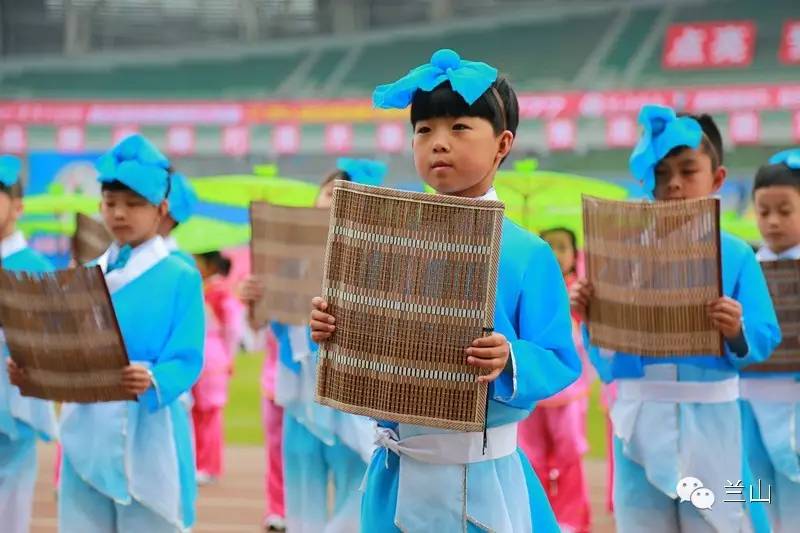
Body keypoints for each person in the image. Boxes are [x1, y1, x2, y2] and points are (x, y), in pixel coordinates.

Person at [310, 48, 581, 532]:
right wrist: (334, 329)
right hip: (396, 473)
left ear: (502, 144)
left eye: (459, 128)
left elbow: (559, 356)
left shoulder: (527, 253)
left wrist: (509, 358)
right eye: (424, 130)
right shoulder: (386, 240)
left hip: (483, 474)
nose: (438, 143)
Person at [570, 104, 781, 532]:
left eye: (688, 171)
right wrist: (592, 316)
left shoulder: (736, 253)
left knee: (715, 520)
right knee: (641, 521)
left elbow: (763, 335)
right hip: (638, 417)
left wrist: (735, 330)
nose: (674, 185)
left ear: (717, 178)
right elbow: (607, 361)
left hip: (712, 421)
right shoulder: (621, 252)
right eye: (662, 174)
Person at [24, 134, 205, 532]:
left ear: (161, 209)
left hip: (148, 420)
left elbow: (188, 356)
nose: (120, 213)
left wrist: (155, 378)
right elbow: (66, 344)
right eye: (110, 203)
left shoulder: (180, 276)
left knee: (149, 516)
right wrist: (35, 364)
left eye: (134, 204)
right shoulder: (90, 274)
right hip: (86, 419)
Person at [240, 157, 385, 532]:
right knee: (303, 488)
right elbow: (261, 328)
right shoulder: (288, 268)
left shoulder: (376, 270)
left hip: (352, 398)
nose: (331, 205)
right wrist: (255, 301)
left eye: (344, 199)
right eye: (327, 196)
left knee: (360, 486)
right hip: (302, 397)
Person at [740, 147, 800, 532]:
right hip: (747, 396)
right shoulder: (745, 266)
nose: (773, 222)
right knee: (753, 485)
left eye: (785, 211)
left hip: (794, 398)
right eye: (764, 212)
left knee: (794, 482)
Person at [518, 227, 592, 533]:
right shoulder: (528, 289)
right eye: (548, 246)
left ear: (575, 256)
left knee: (568, 454)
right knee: (531, 455)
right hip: (533, 391)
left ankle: (571, 520)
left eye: (562, 247)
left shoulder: (580, 293)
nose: (556, 253)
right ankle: (537, 518)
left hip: (570, 391)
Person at [0, 154, 57, 533]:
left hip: (11, 396)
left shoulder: (34, 266)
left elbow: (51, 339)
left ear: (18, 206)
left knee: (10, 506)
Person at [192, 251, 243, 485]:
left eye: (199, 261)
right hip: (199, 356)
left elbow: (233, 328)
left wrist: (229, 357)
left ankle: (209, 465)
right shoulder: (202, 290)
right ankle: (199, 462)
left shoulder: (219, 293)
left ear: (211, 265)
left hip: (213, 357)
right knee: (197, 412)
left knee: (210, 413)